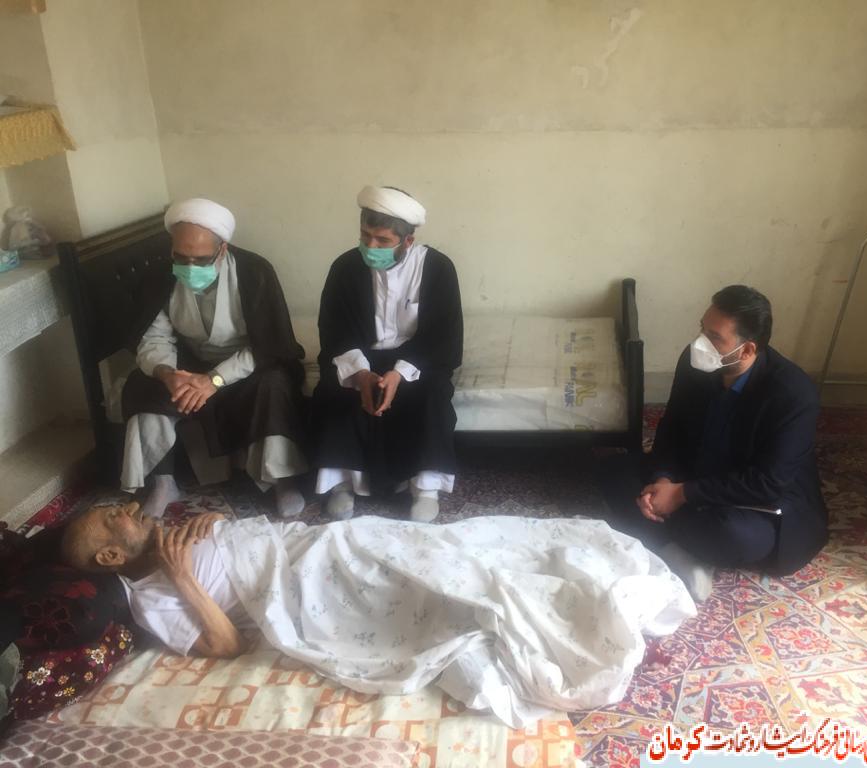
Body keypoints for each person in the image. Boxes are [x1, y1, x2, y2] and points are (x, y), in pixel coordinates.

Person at [59, 501, 694, 727]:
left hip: (315, 542)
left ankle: (589, 578)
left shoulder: (172, 531)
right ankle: (570, 615)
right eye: (116, 518)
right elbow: (227, 646)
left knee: (448, 545)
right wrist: (184, 578)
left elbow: (243, 536)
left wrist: (218, 520)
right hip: (307, 584)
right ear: (112, 556)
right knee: (439, 593)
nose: (130, 509)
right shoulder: (153, 599)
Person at [604, 285, 828, 601]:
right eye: (702, 329)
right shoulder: (695, 362)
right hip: (694, 471)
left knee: (733, 536)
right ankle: (681, 553)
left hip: (749, 498)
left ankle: (673, 539)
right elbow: (671, 429)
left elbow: (767, 483)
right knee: (613, 472)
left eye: (714, 337)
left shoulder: (793, 393)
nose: (700, 342)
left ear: (747, 350)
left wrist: (682, 494)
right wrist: (663, 479)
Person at [121, 199, 308, 519]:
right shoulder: (159, 276)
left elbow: (268, 344)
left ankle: (281, 480)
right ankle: (162, 483)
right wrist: (169, 374)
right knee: (141, 384)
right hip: (189, 365)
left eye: (201, 259)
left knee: (274, 382)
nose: (190, 267)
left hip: (245, 366)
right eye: (181, 258)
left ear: (222, 250)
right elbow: (155, 338)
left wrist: (215, 380)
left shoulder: (254, 271)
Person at [312, 186, 462, 523]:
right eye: (365, 236)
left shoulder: (438, 268)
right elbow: (334, 330)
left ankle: (424, 489)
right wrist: (361, 373)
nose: (371, 246)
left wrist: (399, 373)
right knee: (335, 390)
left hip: (418, 360)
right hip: (360, 356)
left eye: (382, 240)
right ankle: (342, 485)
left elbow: (444, 337)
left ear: (407, 241)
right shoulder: (345, 267)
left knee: (432, 394)